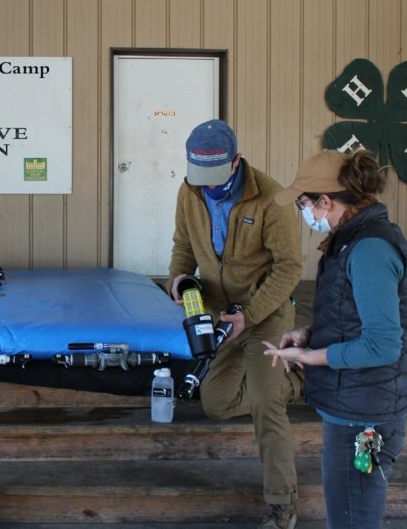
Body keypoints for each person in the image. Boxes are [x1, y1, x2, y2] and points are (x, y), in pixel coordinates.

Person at [263, 149, 407, 528]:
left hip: (365, 415)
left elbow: (382, 345)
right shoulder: (352, 238)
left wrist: (312, 356)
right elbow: (353, 314)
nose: (304, 214)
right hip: (354, 404)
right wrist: (310, 333)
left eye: (303, 204)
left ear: (325, 201)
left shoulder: (369, 249)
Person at [167, 119, 303, 529]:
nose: (207, 186)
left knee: (265, 402)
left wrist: (251, 315)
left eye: (214, 176)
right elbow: (183, 246)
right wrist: (177, 279)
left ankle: (282, 506)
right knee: (216, 403)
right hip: (218, 311)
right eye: (199, 176)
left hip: (264, 311)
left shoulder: (272, 199)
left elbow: (289, 268)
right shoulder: (189, 191)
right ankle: (293, 378)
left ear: (236, 161)